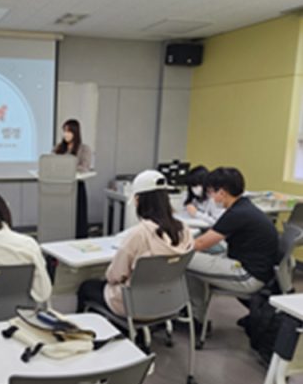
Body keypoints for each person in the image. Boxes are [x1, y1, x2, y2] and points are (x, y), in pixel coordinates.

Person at [77, 170, 194, 316]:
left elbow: (114, 276)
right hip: (168, 302)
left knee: (86, 287)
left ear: (137, 200)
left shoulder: (139, 234)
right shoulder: (184, 230)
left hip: (134, 305)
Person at [186, 168, 278, 326]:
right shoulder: (244, 207)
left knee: (186, 261)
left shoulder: (236, 214)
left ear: (222, 192)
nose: (210, 197)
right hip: (255, 268)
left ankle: (197, 319)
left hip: (249, 276)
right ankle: (196, 314)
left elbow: (199, 244)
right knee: (198, 260)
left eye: (211, 192)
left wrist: (169, 247)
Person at [53, 119, 92, 238]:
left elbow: (84, 167)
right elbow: (52, 164)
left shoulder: (84, 149)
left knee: (77, 217)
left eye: (69, 131)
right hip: (60, 186)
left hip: (76, 186)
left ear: (75, 132)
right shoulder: (59, 148)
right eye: (64, 131)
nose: (66, 134)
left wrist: (66, 168)